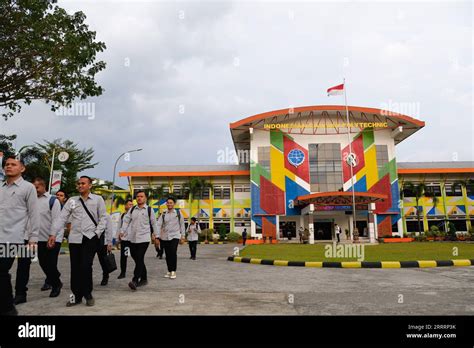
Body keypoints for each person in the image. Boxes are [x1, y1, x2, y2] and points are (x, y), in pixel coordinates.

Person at [52, 176, 107, 307]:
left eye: (83, 183)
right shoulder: (72, 200)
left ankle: (88, 294)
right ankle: (76, 296)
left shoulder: (98, 199)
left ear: (90, 185)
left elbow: (103, 218)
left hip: (90, 238)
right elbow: (62, 217)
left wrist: (97, 233)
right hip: (75, 239)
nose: (80, 185)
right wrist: (53, 233)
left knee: (86, 266)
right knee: (75, 268)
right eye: (78, 184)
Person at [0, 156, 40, 315]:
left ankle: (9, 308)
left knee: (2, 270)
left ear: (22, 168)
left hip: (14, 238)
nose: (8, 166)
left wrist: (33, 238)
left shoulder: (28, 187)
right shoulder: (1, 187)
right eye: (6, 164)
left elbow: (34, 214)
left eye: (13, 164)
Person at [30, 178, 63, 298]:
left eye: (37, 187)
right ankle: (56, 279)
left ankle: (55, 285)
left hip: (53, 238)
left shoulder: (53, 200)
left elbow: (56, 220)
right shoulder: (31, 200)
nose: (34, 190)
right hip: (38, 238)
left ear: (43, 187)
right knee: (44, 263)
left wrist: (52, 235)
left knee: (51, 263)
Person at [120, 191, 158, 290]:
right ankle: (144, 278)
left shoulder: (149, 210)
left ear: (145, 198)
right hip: (132, 238)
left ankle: (135, 280)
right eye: (137, 196)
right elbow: (126, 220)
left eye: (141, 196)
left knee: (140, 257)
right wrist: (122, 231)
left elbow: (154, 223)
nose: (139, 198)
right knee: (138, 259)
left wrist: (156, 236)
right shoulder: (132, 209)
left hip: (144, 238)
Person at [156, 197, 185, 279]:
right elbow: (158, 225)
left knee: (173, 252)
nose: (169, 204)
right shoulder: (163, 214)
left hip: (175, 236)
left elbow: (182, 225)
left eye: (171, 202)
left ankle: (173, 271)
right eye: (168, 202)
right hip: (165, 237)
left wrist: (183, 236)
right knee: (167, 254)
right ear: (166, 204)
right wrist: (157, 236)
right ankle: (169, 270)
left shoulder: (178, 213)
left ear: (174, 204)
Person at [117, 199, 133, 279]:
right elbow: (119, 227)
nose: (131, 206)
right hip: (125, 240)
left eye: (132, 205)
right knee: (124, 256)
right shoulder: (122, 215)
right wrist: (117, 238)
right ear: (125, 206)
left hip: (133, 240)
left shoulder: (135, 215)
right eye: (129, 204)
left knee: (136, 256)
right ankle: (123, 272)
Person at [96, 213, 113, 286]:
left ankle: (105, 276)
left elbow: (109, 229)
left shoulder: (106, 215)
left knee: (102, 260)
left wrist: (109, 242)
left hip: (102, 241)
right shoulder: (92, 212)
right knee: (88, 260)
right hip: (91, 240)